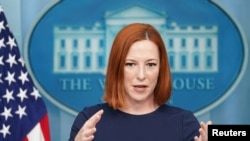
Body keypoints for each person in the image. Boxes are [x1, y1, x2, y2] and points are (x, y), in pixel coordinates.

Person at [69, 23, 212, 141]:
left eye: (150, 65)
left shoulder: (184, 123)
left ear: (161, 69)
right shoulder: (89, 121)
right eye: (130, 64)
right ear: (117, 67)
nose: (141, 75)